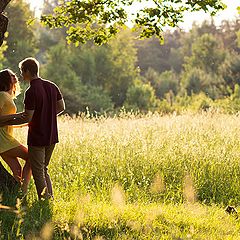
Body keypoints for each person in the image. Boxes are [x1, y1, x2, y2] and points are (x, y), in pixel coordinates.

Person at [0, 57, 65, 200]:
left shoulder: (31, 91)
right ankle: (48, 198)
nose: (21, 75)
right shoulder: (52, 86)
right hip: (52, 135)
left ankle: (44, 200)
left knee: (38, 171)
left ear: (28, 71)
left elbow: (28, 117)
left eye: (22, 72)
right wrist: (46, 115)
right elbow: (61, 107)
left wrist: (10, 121)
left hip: (37, 137)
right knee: (43, 168)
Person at [0, 69, 31, 194]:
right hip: (3, 139)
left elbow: (6, 122)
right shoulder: (2, 95)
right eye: (11, 75)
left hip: (5, 137)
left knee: (17, 171)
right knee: (32, 157)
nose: (15, 76)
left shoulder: (8, 96)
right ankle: (24, 191)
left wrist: (22, 124)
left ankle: (16, 195)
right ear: (5, 80)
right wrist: (18, 115)